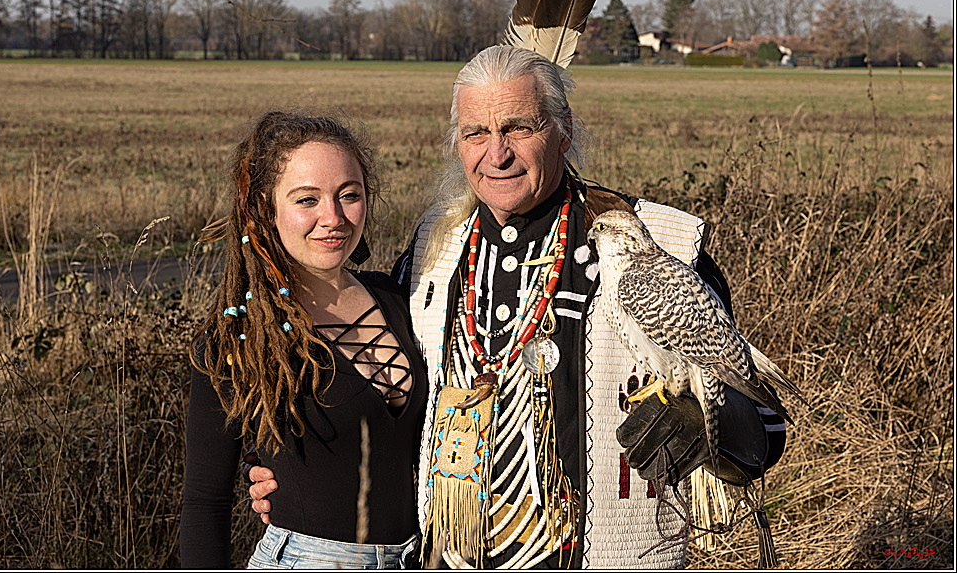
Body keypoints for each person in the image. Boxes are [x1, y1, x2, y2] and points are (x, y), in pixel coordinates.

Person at [249, 47, 788, 569]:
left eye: (519, 128)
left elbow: (762, 435)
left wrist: (712, 429)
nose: (496, 153)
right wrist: (297, 468)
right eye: (475, 133)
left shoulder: (658, 245)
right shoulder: (432, 251)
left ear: (564, 132)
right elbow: (378, 390)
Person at [180, 111, 427, 569]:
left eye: (348, 195)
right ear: (265, 210)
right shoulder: (242, 335)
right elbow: (204, 501)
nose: (332, 218)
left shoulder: (401, 299)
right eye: (306, 200)